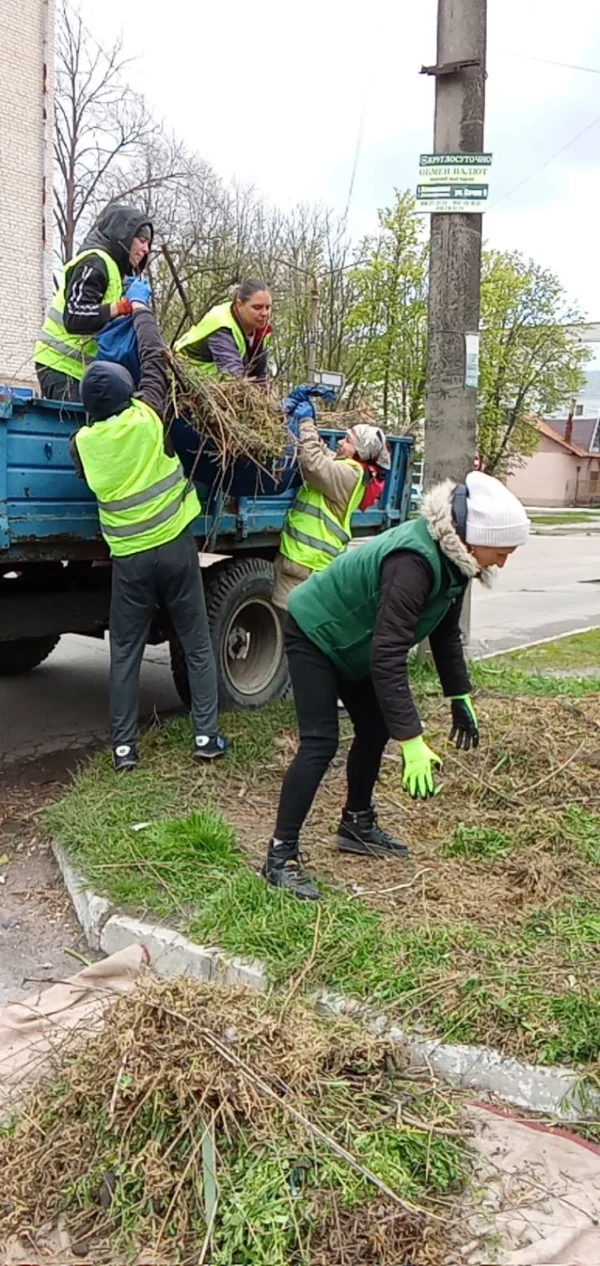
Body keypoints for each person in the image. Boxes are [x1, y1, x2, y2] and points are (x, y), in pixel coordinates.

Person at [263, 471, 530, 900]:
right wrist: (412, 741)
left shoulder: (458, 561)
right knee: (320, 742)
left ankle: (356, 824)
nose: (501, 563)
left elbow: (444, 631)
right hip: (315, 631)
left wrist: (459, 695)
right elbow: (388, 657)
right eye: (501, 552)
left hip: (356, 640)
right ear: (477, 537)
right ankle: (280, 856)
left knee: (374, 727)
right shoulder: (413, 562)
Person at [70, 298, 227, 772]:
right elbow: (156, 360)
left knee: (124, 653)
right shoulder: (149, 416)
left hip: (131, 561)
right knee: (196, 643)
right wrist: (141, 312)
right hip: (176, 548)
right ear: (128, 392)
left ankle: (124, 750)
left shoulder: (82, 446)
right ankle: (206, 737)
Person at [34, 204, 153, 403]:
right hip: (59, 366)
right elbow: (74, 316)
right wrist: (119, 308)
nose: (146, 249)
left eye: (148, 244)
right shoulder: (94, 263)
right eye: (142, 241)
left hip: (82, 372)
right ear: (124, 236)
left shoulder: (115, 271)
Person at [272, 419, 390, 611]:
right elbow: (324, 454)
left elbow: (312, 461)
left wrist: (306, 422)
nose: (341, 442)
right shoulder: (351, 470)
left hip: (307, 562)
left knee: (291, 622)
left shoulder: (349, 474)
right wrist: (312, 432)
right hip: (309, 561)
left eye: (348, 441)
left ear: (360, 452)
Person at [174, 279, 272, 387]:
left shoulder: (260, 331)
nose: (264, 313)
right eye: (257, 307)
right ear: (239, 304)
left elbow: (260, 378)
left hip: (211, 386)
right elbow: (235, 379)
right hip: (184, 380)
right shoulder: (221, 324)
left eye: (268, 307)